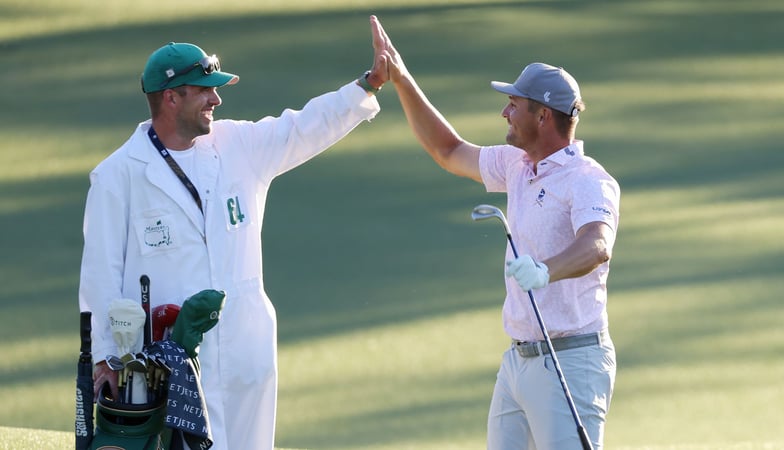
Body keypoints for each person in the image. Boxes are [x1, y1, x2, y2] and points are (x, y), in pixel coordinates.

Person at [79, 17, 390, 450]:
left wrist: (367, 84)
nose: (216, 98)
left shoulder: (239, 146)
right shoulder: (117, 177)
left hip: (246, 344)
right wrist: (106, 358)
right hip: (168, 360)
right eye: (205, 90)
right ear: (171, 97)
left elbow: (302, 127)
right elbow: (99, 278)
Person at [372, 17, 619, 450]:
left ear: (542, 115)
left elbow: (596, 245)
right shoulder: (516, 165)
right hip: (518, 363)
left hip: (572, 361)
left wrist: (544, 271)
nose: (504, 111)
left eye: (513, 104)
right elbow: (447, 150)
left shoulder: (587, 179)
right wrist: (402, 79)